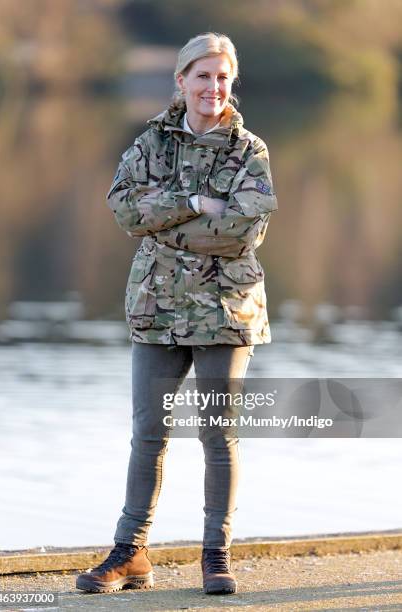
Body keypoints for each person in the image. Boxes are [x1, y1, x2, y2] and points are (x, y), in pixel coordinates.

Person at [76, 32, 278, 596]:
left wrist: (160, 223)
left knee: (218, 434)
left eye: (222, 78)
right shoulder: (149, 145)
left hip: (225, 310)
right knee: (148, 434)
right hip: (156, 308)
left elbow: (244, 227)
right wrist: (191, 204)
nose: (212, 87)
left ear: (230, 83)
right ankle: (130, 551)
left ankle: (216, 556)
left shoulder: (248, 151)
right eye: (202, 76)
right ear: (182, 80)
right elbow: (122, 209)